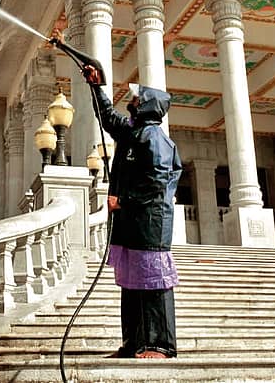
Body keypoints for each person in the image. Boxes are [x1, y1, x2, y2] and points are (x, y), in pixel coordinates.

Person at [83, 68, 182, 359]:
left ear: (148, 105)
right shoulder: (132, 132)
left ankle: (160, 345)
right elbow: (108, 117)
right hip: (131, 224)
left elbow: (157, 182)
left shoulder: (155, 138)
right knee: (131, 284)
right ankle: (133, 343)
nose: (133, 100)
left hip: (150, 226)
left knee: (154, 285)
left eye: (138, 98)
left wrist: (123, 201)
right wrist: (96, 86)